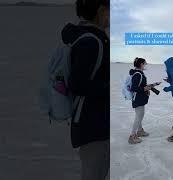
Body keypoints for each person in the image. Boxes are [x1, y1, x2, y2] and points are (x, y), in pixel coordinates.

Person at [61, 0, 109, 179]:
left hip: (93, 122)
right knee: (93, 173)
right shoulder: (91, 41)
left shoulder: (89, 37)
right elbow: (78, 83)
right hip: (94, 124)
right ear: (101, 11)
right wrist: (108, 88)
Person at [128, 58, 151, 144]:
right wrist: (145, 88)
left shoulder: (139, 73)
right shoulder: (138, 74)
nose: (145, 65)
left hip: (140, 98)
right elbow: (133, 88)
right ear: (141, 64)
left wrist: (147, 87)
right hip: (138, 99)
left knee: (140, 115)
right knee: (139, 116)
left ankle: (140, 131)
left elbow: (140, 85)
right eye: (145, 63)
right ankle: (132, 136)